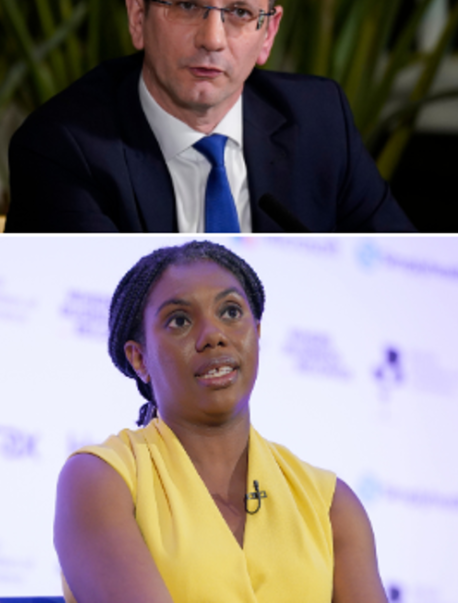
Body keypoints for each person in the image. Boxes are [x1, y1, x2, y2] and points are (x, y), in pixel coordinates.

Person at [5, 0, 414, 233]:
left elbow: (401, 277)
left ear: (267, 33)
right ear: (137, 18)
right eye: (186, 6)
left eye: (239, 12)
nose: (212, 39)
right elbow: (103, 316)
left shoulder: (320, 121)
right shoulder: (62, 146)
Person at [54, 241, 386, 603]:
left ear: (257, 335)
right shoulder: (100, 480)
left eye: (230, 312)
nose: (213, 335)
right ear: (139, 359)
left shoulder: (331, 504)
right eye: (179, 321)